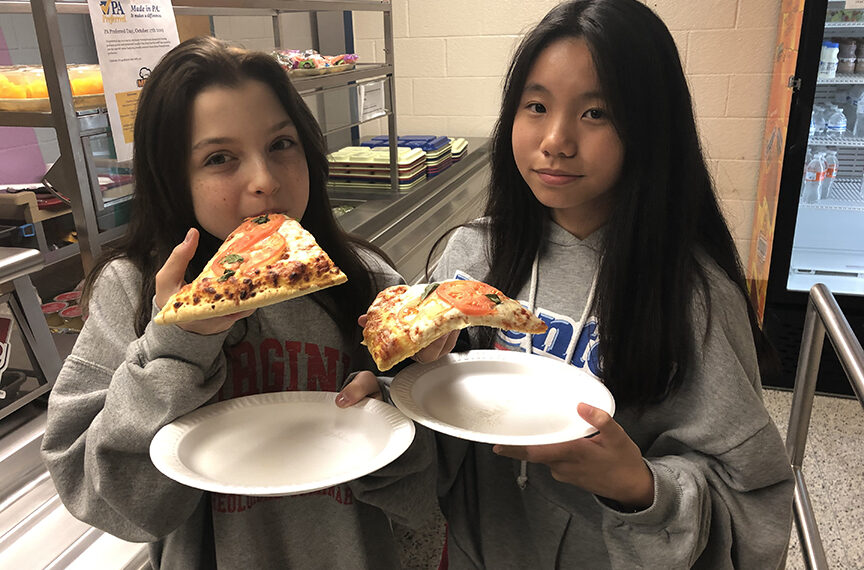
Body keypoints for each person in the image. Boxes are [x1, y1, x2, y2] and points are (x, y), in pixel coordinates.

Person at [40, 36, 434, 569]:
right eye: (219, 158)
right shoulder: (131, 289)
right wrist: (176, 343)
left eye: (281, 144)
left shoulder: (368, 281)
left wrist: (402, 401)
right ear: (174, 178)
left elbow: (427, 491)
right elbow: (106, 500)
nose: (264, 181)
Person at [425, 1, 794, 567]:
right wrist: (392, 380)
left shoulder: (694, 298)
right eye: (536, 106)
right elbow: (424, 421)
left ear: (650, 127)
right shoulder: (471, 257)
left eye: (596, 113)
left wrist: (640, 487)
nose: (556, 139)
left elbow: (755, 499)